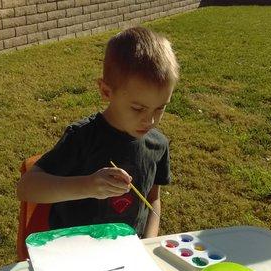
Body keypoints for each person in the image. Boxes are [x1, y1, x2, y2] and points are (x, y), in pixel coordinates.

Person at [17, 26, 179, 238]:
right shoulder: (83, 137)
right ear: (106, 91)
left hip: (127, 252)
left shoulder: (158, 145)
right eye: (138, 108)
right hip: (74, 252)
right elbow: (27, 188)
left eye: (160, 107)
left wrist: (148, 243)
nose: (150, 120)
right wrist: (88, 186)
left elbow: (153, 199)